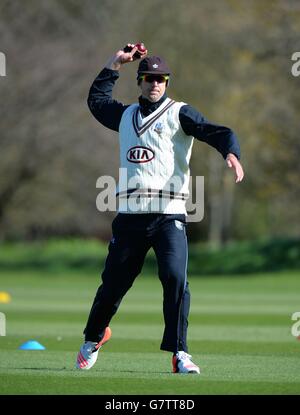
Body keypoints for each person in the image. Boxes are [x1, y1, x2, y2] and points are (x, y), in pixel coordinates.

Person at [76, 43, 244, 374]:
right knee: (113, 285)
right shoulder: (124, 116)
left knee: (174, 278)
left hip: (169, 216)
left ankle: (180, 354)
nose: (155, 84)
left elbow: (215, 131)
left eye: (161, 79)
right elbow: (96, 102)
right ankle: (94, 337)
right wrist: (115, 63)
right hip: (130, 218)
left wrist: (231, 152)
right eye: (150, 78)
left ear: (167, 83)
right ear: (140, 81)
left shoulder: (180, 112)